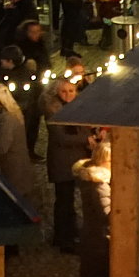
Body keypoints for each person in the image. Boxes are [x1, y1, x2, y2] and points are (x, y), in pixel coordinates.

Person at [74, 137, 113, 277]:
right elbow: (108, 214)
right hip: (99, 246)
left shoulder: (94, 180)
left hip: (93, 242)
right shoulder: (99, 184)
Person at [44, 81, 91, 252]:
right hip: (62, 163)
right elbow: (61, 138)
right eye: (64, 91)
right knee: (64, 201)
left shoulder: (77, 107)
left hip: (73, 162)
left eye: (71, 90)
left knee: (68, 201)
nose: (68, 94)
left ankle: (68, 233)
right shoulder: (53, 111)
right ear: (57, 93)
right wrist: (87, 140)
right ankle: (64, 239)